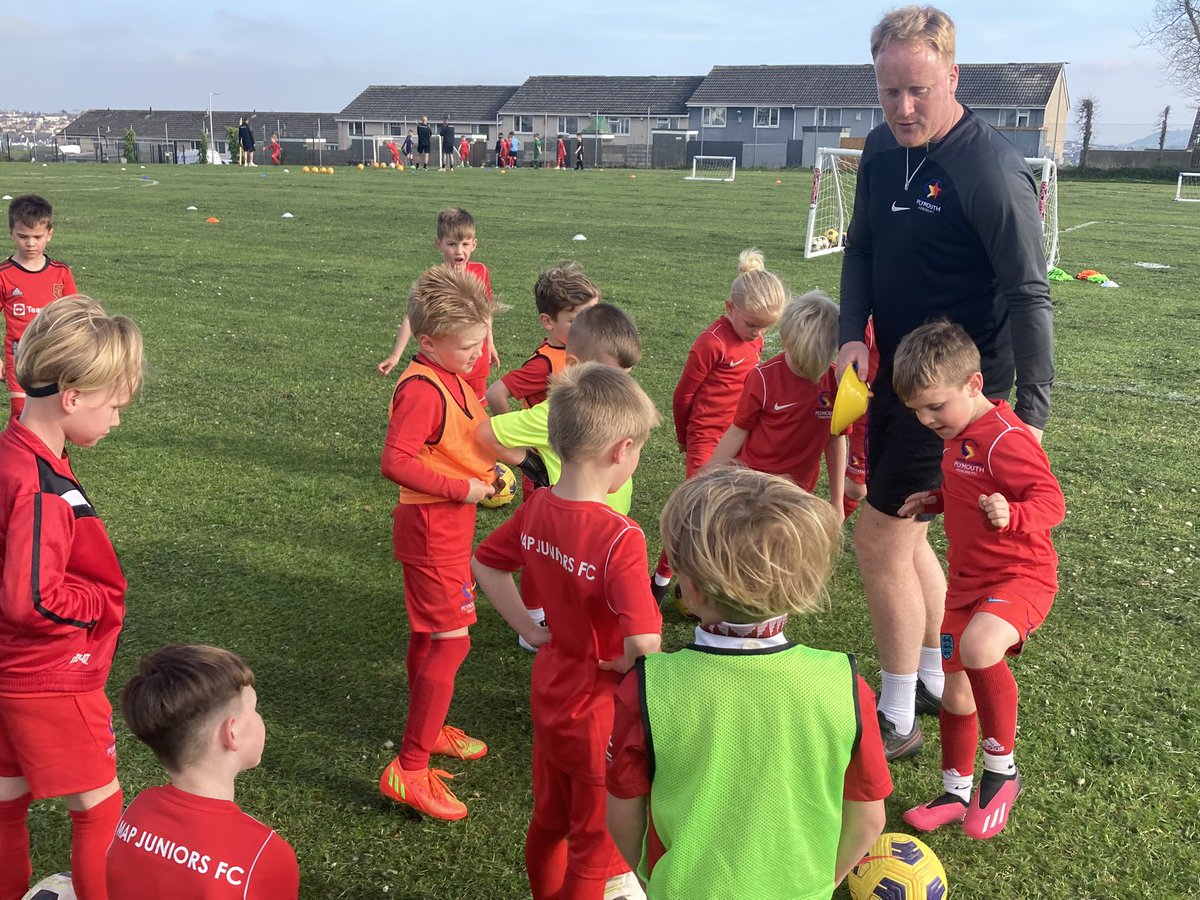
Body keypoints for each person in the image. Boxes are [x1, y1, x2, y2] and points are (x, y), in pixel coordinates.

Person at [835, 4, 1054, 760]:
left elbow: (1029, 292)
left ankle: (895, 716)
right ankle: (932, 675)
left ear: (953, 77)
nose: (902, 108)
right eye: (889, 91)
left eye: (918, 90)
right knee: (909, 529)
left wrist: (1030, 415)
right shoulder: (879, 148)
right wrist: (850, 336)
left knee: (879, 539)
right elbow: (861, 249)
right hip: (896, 378)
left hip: (958, 400)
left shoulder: (989, 169)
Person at [605, 466, 892, 898]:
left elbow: (622, 815)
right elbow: (869, 818)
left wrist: (653, 880)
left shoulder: (648, 686)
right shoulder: (844, 684)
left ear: (692, 590)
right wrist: (820, 884)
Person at [473, 362, 663, 900]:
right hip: (601, 716)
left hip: (551, 694)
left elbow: (485, 563)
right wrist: (628, 663)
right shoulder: (620, 537)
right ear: (622, 451)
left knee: (548, 822)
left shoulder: (537, 508)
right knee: (594, 850)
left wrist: (530, 629)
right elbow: (644, 644)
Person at [891, 321, 1064, 839]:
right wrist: (937, 500)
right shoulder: (957, 433)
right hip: (967, 584)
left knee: (980, 646)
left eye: (934, 407)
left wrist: (1012, 514)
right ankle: (954, 792)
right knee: (955, 694)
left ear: (973, 384)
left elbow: (1052, 501)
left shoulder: (1006, 438)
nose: (926, 420)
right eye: (917, 411)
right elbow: (970, 489)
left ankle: (1002, 772)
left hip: (1020, 576)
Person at [0, 295, 143, 900]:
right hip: (51, 677)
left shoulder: (14, 455)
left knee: (5, 805)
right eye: (114, 407)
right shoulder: (40, 487)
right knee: (99, 809)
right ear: (73, 397)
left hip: (8, 672)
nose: (117, 421)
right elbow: (31, 599)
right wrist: (98, 605)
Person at [377, 265, 500, 822]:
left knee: (431, 635)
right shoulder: (422, 388)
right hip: (432, 529)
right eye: (469, 346)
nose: (478, 354)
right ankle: (410, 767)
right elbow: (395, 461)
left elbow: (463, 438)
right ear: (428, 343)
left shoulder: (450, 375)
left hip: (446, 527)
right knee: (451, 643)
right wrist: (464, 488)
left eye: (480, 342)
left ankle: (429, 727)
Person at [476, 304, 642, 652]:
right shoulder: (553, 412)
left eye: (626, 375)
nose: (622, 385)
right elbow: (486, 433)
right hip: (576, 523)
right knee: (574, 595)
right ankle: (543, 625)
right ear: (574, 365)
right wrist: (530, 464)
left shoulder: (620, 407)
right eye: (611, 374)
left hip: (607, 520)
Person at [106, 645, 299, 898]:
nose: (259, 719)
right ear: (232, 733)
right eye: (254, 709)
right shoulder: (265, 855)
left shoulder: (138, 810)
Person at [651, 249, 786, 607]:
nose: (759, 333)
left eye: (766, 327)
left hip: (740, 437)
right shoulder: (712, 342)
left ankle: (714, 583)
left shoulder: (755, 340)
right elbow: (683, 395)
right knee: (693, 512)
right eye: (753, 325)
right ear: (730, 308)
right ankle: (660, 582)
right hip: (706, 438)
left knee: (734, 510)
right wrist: (684, 437)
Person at [707, 291, 845, 518]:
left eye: (817, 364)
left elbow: (836, 438)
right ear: (784, 339)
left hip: (797, 491)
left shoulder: (836, 381)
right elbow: (738, 431)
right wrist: (708, 477)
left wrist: (837, 499)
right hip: (753, 485)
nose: (809, 372)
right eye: (801, 363)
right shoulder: (763, 378)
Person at [376, 209, 498, 403]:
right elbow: (412, 317)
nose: (459, 251)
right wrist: (396, 355)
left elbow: (485, 311)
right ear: (439, 245)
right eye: (452, 244)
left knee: (476, 409)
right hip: (450, 359)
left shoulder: (481, 272)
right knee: (450, 406)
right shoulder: (435, 281)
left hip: (477, 359)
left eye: (465, 244)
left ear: (474, 245)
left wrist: (490, 343)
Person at [485, 261, 601, 414]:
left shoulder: (585, 348)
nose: (588, 325)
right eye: (576, 320)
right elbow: (495, 393)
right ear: (548, 321)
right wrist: (511, 428)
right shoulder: (543, 365)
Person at [1, 194, 77, 418]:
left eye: (37, 236)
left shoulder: (61, 273)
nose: (30, 243)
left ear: (49, 234)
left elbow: (74, 317)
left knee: (55, 413)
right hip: (19, 356)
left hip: (53, 354)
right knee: (21, 412)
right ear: (11, 233)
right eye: (23, 236)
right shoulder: (4, 274)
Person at [843, 319, 879, 520]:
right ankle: (830, 524)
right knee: (857, 488)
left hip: (899, 417)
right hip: (865, 420)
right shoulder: (871, 329)